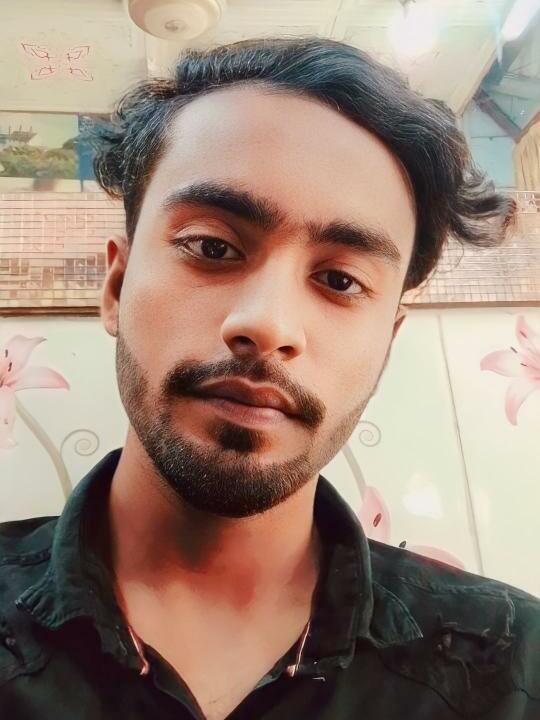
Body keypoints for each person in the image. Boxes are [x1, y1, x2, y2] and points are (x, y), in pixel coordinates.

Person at [0, 37, 538, 720]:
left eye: (340, 280)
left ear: (388, 340)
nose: (267, 324)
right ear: (116, 284)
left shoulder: (514, 670)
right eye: (211, 247)